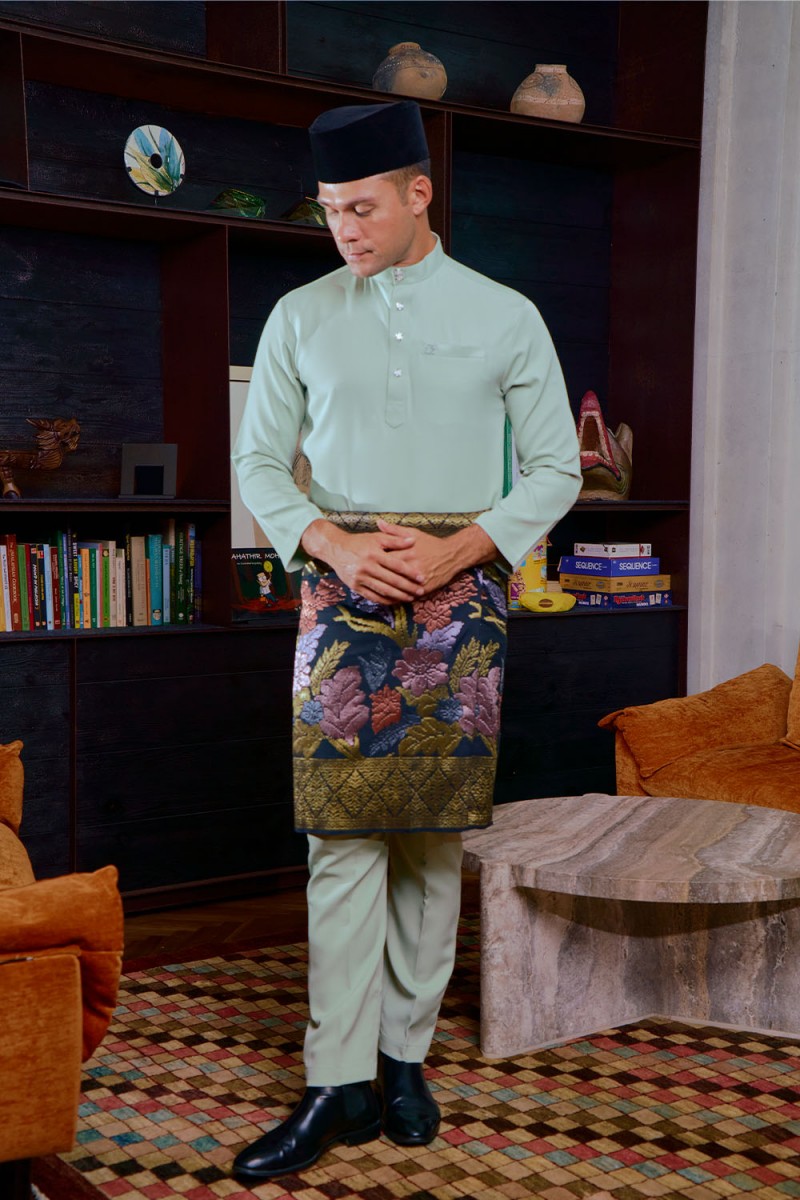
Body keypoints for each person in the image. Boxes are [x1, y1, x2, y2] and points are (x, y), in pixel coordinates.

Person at [231, 99, 581, 1183]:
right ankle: (334, 1082)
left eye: (363, 207)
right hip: (339, 591)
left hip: (459, 595)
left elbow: (557, 468)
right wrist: (332, 545)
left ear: (419, 194)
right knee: (339, 841)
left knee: (430, 840)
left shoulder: (506, 315)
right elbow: (257, 464)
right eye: (330, 210)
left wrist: (462, 548)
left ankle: (402, 1062)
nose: (344, 229)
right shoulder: (297, 315)